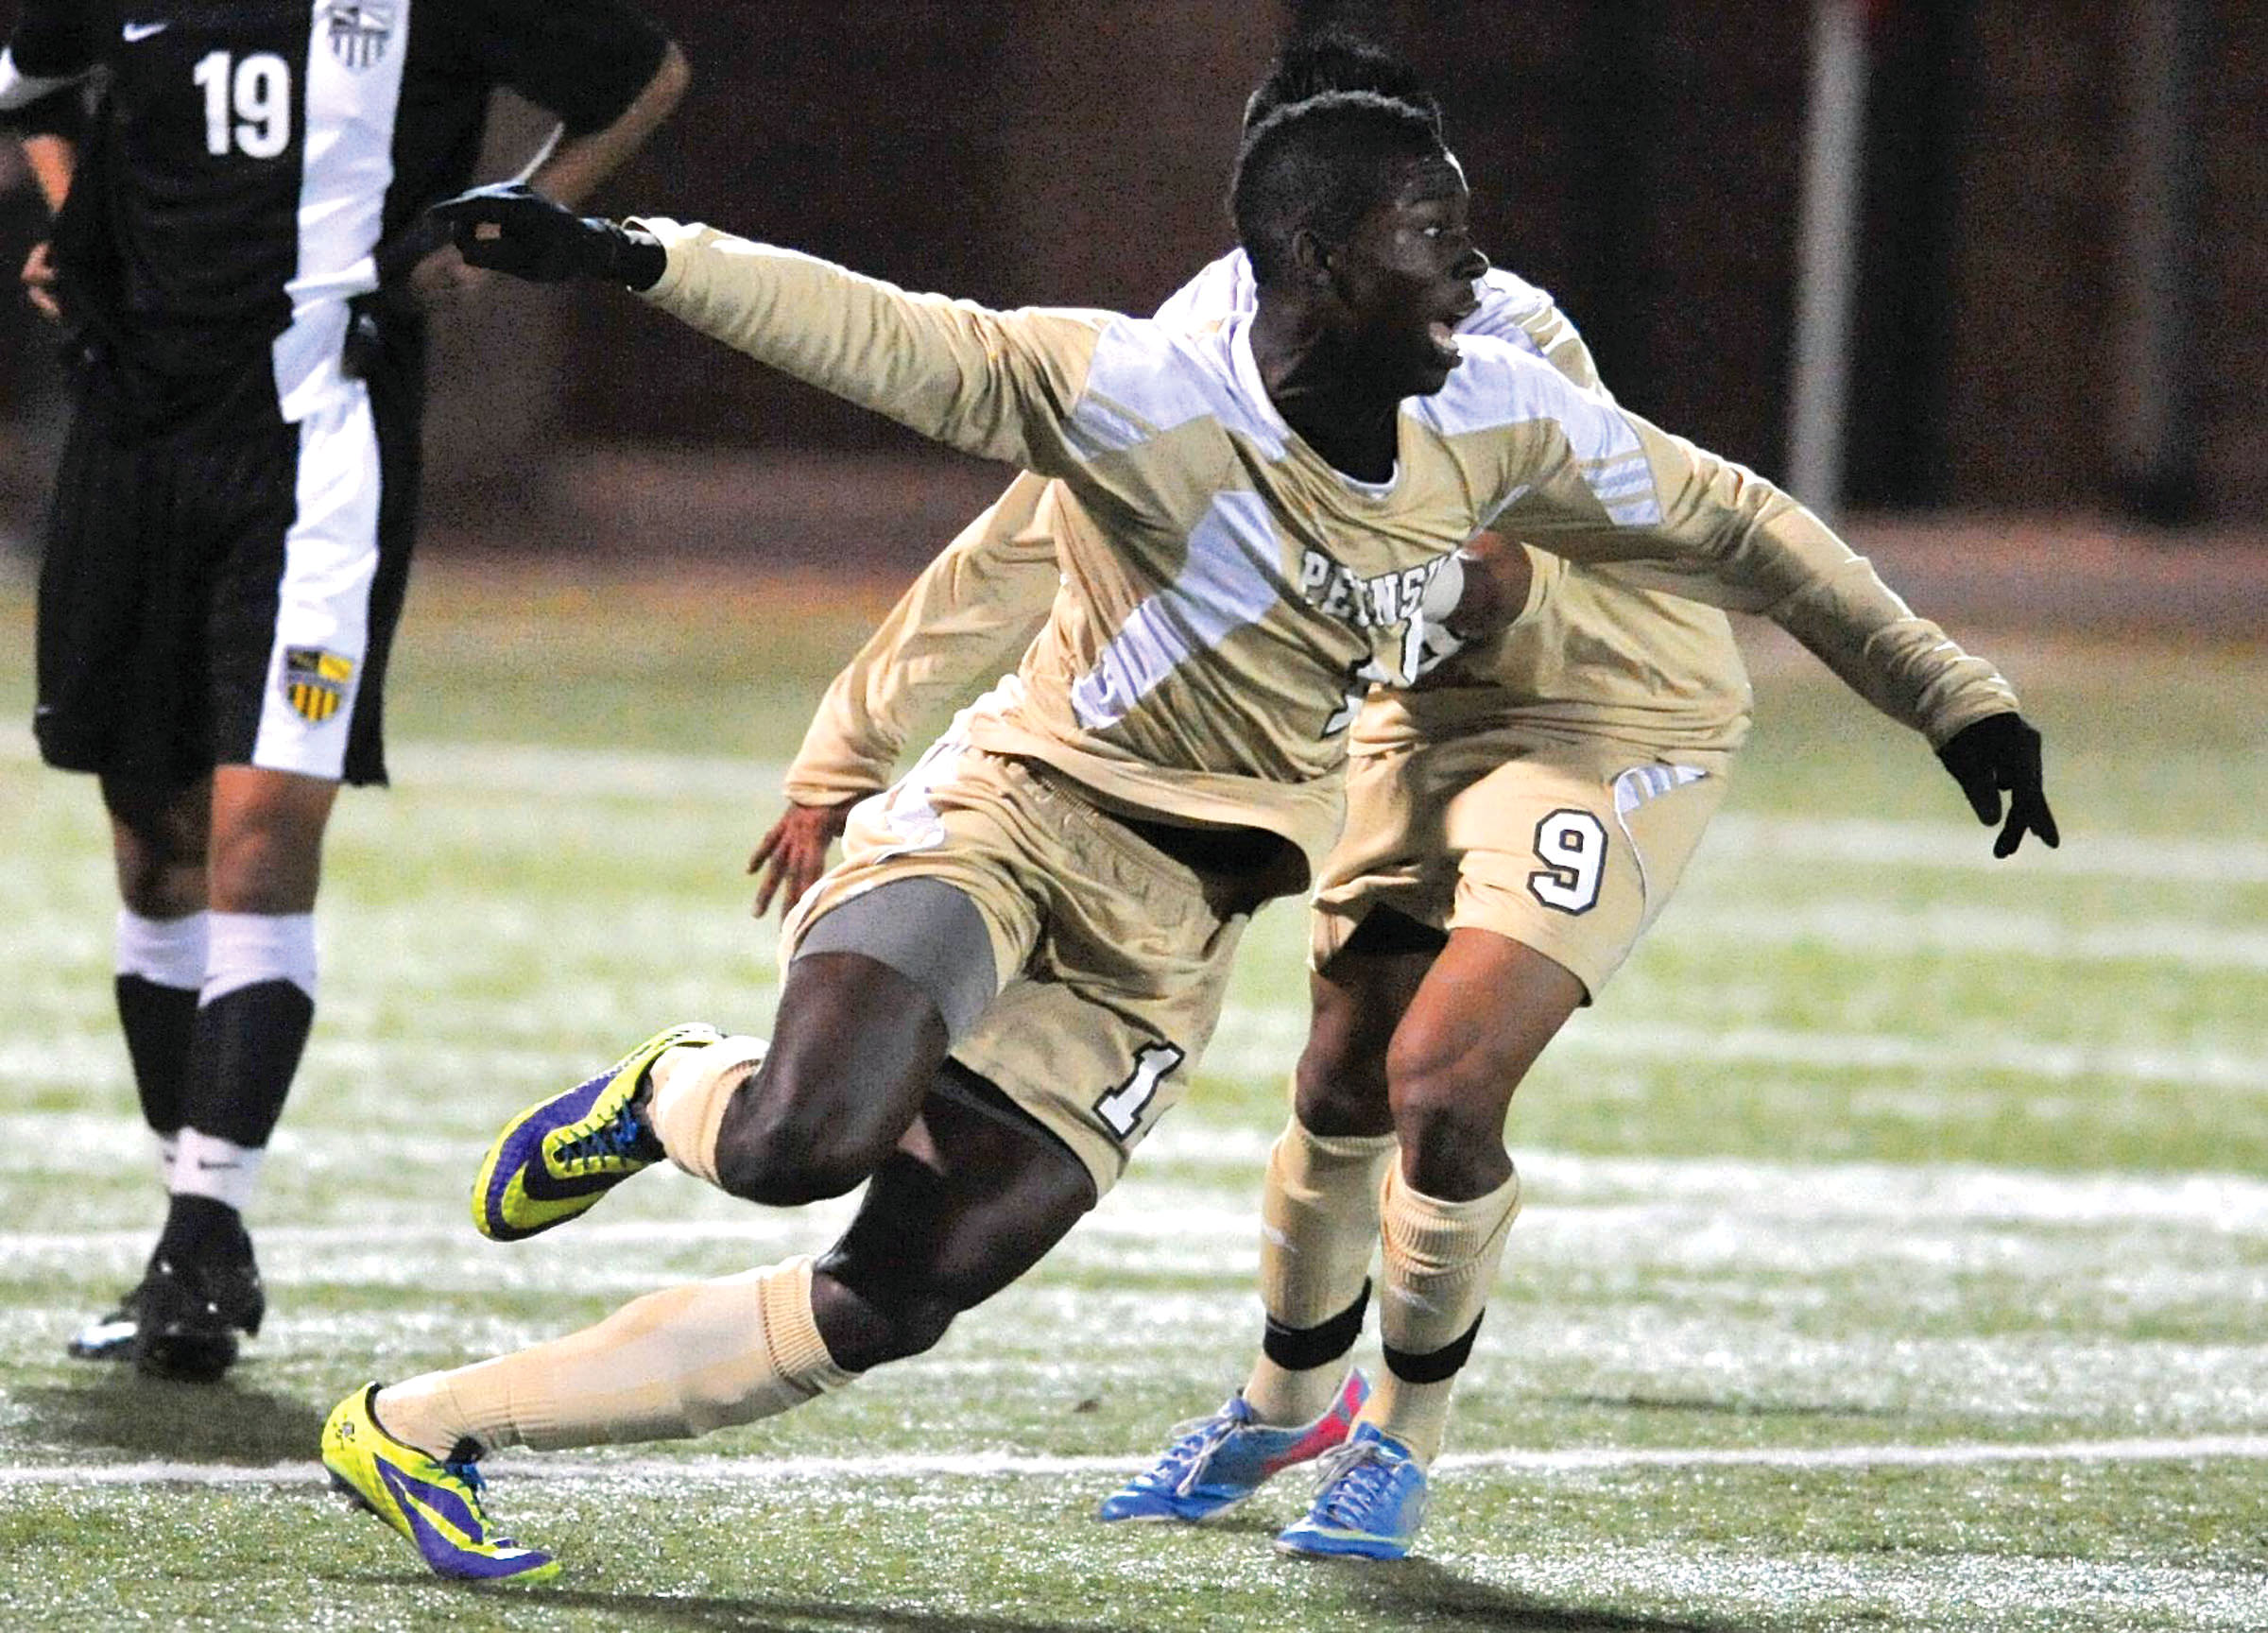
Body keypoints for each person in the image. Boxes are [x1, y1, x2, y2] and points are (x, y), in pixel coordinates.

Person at [316, 86, 2049, 1584]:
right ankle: (671, 1091)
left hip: (1170, 944)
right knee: (799, 1140)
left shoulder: (1496, 412)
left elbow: (1738, 517)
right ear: (1312, 257)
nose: (1471, 267)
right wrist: (625, 253)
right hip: (1018, 815)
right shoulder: (1144, 389)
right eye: (1428, 231)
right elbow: (890, 333)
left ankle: (422, 1431)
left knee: (894, 1299)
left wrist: (1951, 695)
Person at [0, 0, 688, 1382]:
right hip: (132, 429)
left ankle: (207, 1233)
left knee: (261, 829)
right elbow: (34, 80)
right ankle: (186, 1208)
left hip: (318, 445)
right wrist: (78, 225)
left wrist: (506, 223)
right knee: (151, 848)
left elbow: (640, 75)